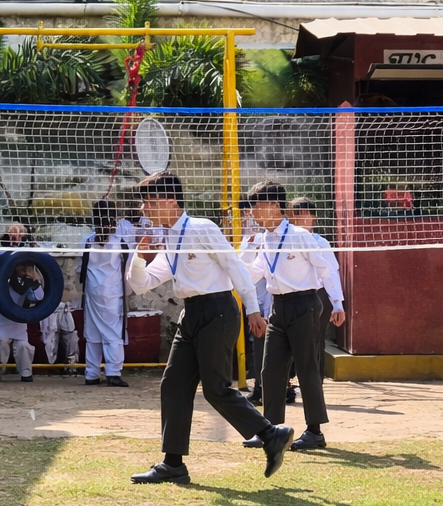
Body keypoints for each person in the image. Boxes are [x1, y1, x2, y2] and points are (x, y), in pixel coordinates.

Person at [126, 172, 293, 484]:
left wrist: (253, 310)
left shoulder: (202, 228)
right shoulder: (168, 239)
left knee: (215, 389)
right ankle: (173, 463)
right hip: (191, 315)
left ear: (171, 201)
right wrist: (138, 257)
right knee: (173, 384)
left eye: (149, 201)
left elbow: (234, 267)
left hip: (218, 311)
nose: (143, 208)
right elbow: (141, 284)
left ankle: (271, 433)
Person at [242, 183, 348, 452]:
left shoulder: (301, 235)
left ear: (274, 207)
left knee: (306, 367)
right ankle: (271, 430)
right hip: (278, 307)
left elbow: (326, 269)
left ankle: (314, 432)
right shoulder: (263, 238)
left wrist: (337, 303)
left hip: (305, 305)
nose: (253, 212)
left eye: (257, 206)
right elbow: (255, 272)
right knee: (269, 369)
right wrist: (243, 252)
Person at [287, 197, 345, 403]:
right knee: (289, 342)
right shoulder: (281, 242)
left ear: (314, 218)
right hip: (290, 298)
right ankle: (287, 385)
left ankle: (315, 386)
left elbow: (332, 273)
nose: (302, 219)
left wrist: (337, 303)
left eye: (306, 214)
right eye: (296, 215)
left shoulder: (321, 243)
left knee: (315, 343)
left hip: (317, 296)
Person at [81, 199, 131, 387]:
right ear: (114, 220)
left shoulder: (87, 241)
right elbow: (127, 270)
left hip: (92, 293)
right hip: (112, 294)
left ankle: (91, 373)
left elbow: (81, 270)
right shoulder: (120, 243)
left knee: (92, 333)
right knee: (112, 333)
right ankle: (113, 372)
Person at [0, 223, 38, 383]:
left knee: (23, 345)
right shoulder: (2, 254)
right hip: (0, 306)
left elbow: (38, 295)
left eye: (20, 232)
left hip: (18, 310)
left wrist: (32, 277)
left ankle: (26, 372)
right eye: (13, 232)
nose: (16, 235)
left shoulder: (30, 262)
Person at [237, 202, 273, 405]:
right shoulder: (248, 240)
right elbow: (243, 269)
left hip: (271, 301)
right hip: (255, 303)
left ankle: (278, 388)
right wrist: (250, 246)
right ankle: (259, 388)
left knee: (272, 348)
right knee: (258, 346)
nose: (248, 218)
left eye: (250, 213)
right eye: (245, 214)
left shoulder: (272, 236)